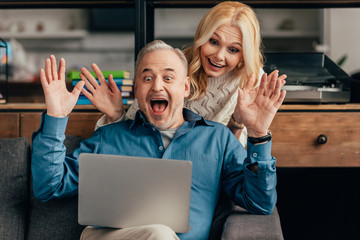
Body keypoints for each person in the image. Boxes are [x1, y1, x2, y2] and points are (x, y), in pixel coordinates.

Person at [31, 40, 285, 240]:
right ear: (138, 90)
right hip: (107, 237)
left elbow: (260, 203)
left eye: (168, 77)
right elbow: (48, 187)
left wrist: (257, 133)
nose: (157, 86)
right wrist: (56, 116)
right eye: (148, 77)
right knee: (159, 234)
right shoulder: (110, 136)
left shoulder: (216, 139)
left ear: (185, 88)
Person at [80, 1, 286, 146]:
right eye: (213, 42)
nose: (219, 56)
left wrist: (238, 123)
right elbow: (127, 141)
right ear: (201, 37)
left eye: (233, 49)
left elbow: (233, 160)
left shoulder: (251, 80)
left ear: (244, 55)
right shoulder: (174, 64)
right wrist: (115, 115)